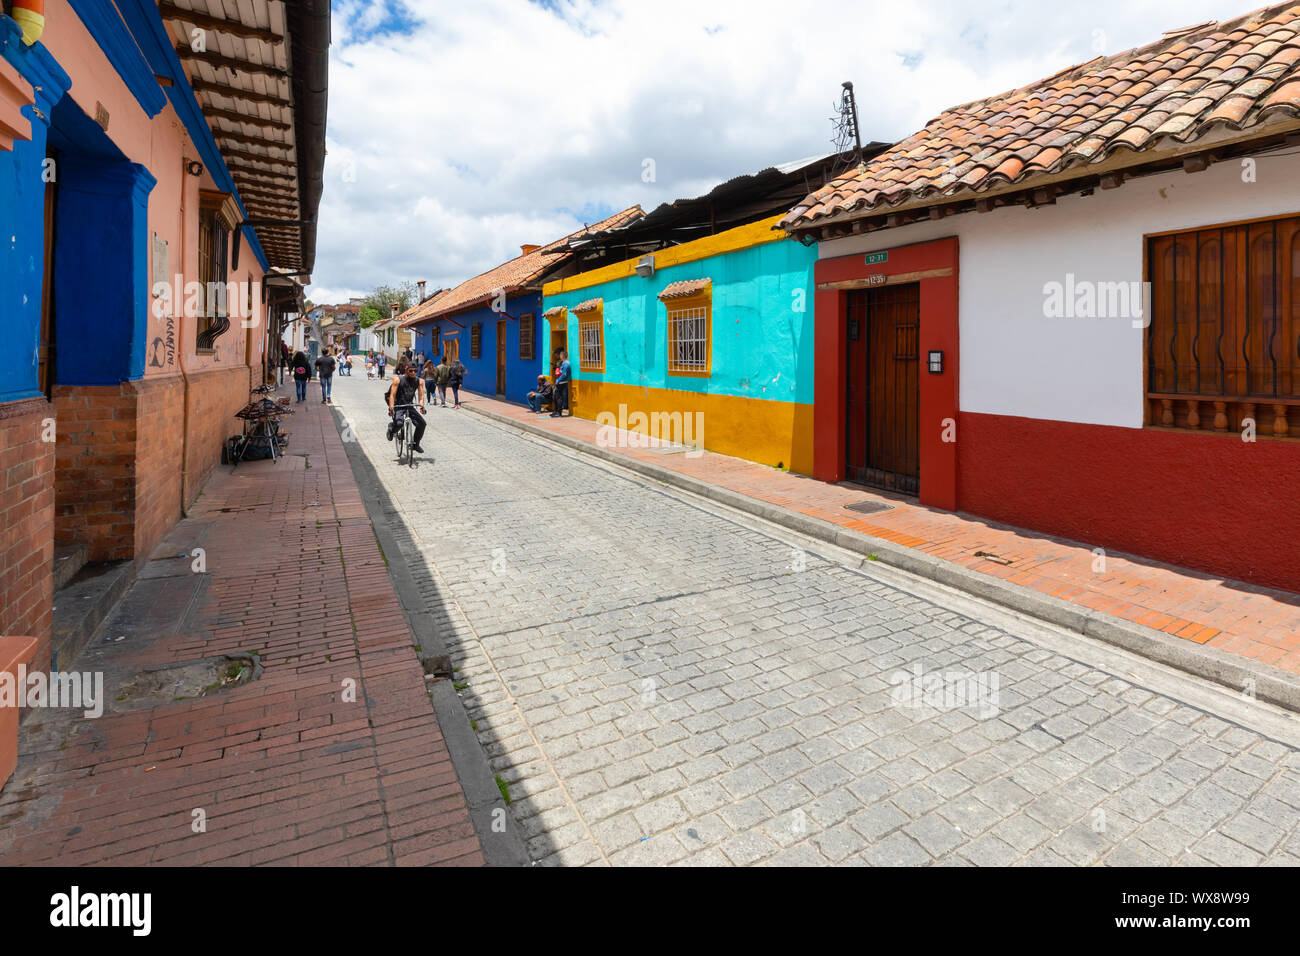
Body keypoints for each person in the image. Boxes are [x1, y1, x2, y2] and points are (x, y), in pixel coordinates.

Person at [386, 361, 427, 454]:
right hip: (399, 405)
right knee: (399, 423)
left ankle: (415, 444)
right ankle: (391, 429)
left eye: (415, 371)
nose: (413, 373)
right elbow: (392, 395)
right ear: (406, 370)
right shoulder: (398, 379)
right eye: (411, 370)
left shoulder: (419, 381)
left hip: (409, 405)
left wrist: (421, 406)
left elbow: (421, 395)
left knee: (422, 424)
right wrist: (391, 408)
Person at [551, 349, 571, 417]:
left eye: (560, 355)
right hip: (561, 381)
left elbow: (564, 374)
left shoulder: (566, 363)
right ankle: (556, 411)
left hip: (561, 382)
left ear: (562, 356)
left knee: (558, 397)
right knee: (556, 397)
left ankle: (559, 412)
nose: (559, 356)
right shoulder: (564, 363)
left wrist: (558, 381)